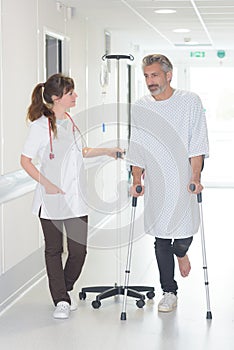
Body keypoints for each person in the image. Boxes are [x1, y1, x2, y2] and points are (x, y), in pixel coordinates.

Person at [21, 73, 123, 319]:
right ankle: (61, 300)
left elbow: (81, 151)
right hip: (52, 199)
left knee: (79, 252)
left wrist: (108, 151)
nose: (75, 96)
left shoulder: (70, 120)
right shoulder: (39, 127)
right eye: (71, 93)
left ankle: (64, 289)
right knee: (54, 250)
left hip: (76, 199)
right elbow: (25, 161)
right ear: (56, 97)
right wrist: (47, 184)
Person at [127, 54, 209, 312]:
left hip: (183, 178)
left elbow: (197, 142)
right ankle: (169, 291)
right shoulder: (141, 106)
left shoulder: (190, 102)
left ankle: (182, 252)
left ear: (168, 75)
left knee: (183, 234)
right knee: (161, 236)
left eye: (155, 75)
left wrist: (195, 176)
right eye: (147, 76)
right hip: (157, 181)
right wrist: (137, 179)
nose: (150, 81)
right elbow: (137, 145)